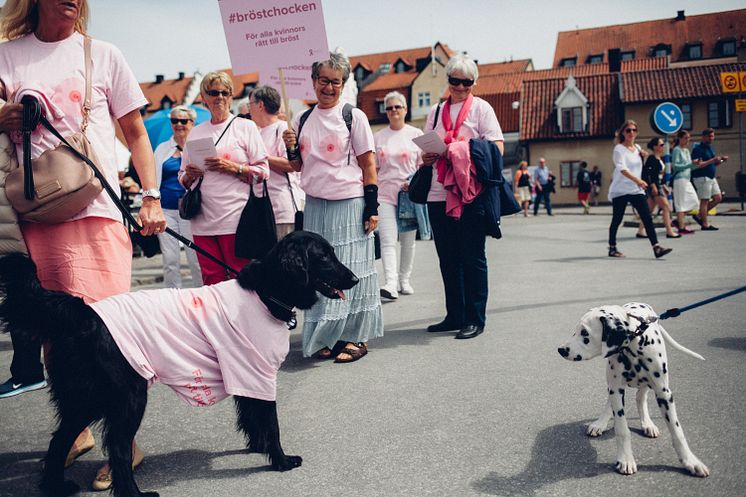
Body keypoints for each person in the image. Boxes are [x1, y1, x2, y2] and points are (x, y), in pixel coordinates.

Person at [0, 0, 166, 489]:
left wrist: (152, 198)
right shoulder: (7, 56)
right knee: (55, 333)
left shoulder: (103, 54)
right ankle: (75, 431)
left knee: (111, 334)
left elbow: (135, 133)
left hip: (96, 211)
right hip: (35, 212)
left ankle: (124, 442)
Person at [282, 52, 383, 362]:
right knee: (320, 274)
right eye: (323, 80)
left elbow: (368, 163)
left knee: (354, 269)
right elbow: (297, 166)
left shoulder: (354, 116)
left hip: (348, 203)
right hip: (315, 205)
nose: (328, 87)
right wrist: (290, 147)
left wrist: (371, 206)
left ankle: (355, 337)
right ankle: (325, 336)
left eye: (335, 82)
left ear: (343, 84)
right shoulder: (301, 118)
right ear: (314, 82)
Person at [420, 54, 504, 340]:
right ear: (448, 81)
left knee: (472, 257)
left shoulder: (481, 109)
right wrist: (429, 155)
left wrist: (460, 149)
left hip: (470, 194)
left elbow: (497, 149)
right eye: (455, 81)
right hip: (438, 191)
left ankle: (475, 318)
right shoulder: (434, 111)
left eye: (466, 83)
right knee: (447, 258)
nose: (460, 87)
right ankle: (454, 314)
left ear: (474, 83)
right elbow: (426, 146)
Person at [179, 71, 269, 285]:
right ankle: (218, 320)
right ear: (204, 98)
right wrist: (189, 175)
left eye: (224, 92)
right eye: (213, 92)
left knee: (242, 277)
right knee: (212, 280)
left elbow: (263, 172)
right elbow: (181, 177)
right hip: (203, 219)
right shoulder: (196, 132)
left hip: (236, 217)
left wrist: (234, 168)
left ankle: (244, 319)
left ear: (231, 97)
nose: (219, 97)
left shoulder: (245, 127)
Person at [374, 90, 423, 299]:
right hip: (384, 195)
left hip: (408, 196)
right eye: (389, 108)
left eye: (397, 107)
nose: (393, 111)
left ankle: (405, 279)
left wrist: (413, 184)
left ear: (405, 109)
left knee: (408, 241)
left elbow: (423, 165)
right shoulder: (378, 137)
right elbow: (373, 168)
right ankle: (391, 283)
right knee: (387, 240)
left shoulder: (416, 134)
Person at [153, 105, 202, 288]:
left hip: (191, 210)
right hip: (166, 209)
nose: (179, 124)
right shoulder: (162, 149)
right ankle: (173, 298)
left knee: (195, 257)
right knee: (170, 260)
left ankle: (201, 293)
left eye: (183, 121)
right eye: (175, 121)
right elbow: (153, 177)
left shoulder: (198, 146)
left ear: (192, 123)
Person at [607, 120, 671, 259]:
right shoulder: (618, 149)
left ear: (637, 133)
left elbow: (640, 166)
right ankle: (612, 248)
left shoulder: (637, 147)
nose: (631, 133)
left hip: (636, 189)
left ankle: (656, 248)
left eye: (634, 130)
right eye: (628, 130)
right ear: (623, 133)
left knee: (647, 218)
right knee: (617, 219)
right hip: (621, 190)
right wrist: (638, 180)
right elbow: (622, 168)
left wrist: (644, 155)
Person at [248, 85, 304, 240]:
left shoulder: (282, 129)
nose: (248, 109)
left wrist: (262, 157)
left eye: (250, 104)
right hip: (263, 208)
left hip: (282, 210)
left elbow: (291, 165)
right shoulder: (257, 132)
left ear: (260, 105)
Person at [671, 130, 715, 235]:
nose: (687, 140)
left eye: (689, 138)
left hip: (687, 179)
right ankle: (681, 227)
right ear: (680, 138)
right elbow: (676, 167)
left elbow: (690, 167)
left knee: (695, 202)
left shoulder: (686, 151)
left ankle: (678, 220)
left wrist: (696, 165)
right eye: (686, 138)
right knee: (681, 204)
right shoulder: (677, 150)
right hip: (680, 179)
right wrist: (691, 164)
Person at [636, 137, 680, 239]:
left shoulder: (660, 159)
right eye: (661, 145)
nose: (663, 146)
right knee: (666, 207)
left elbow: (660, 175)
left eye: (663, 145)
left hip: (659, 185)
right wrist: (653, 186)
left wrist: (664, 186)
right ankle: (669, 231)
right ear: (655, 147)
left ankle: (640, 230)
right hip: (654, 186)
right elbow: (648, 174)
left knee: (649, 210)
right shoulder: (651, 158)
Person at [691, 128, 727, 231]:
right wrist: (712, 160)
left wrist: (721, 160)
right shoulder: (698, 149)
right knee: (705, 201)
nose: (712, 138)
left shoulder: (710, 148)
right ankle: (705, 224)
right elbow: (698, 165)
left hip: (711, 177)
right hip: (702, 177)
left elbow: (714, 163)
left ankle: (699, 215)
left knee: (718, 197)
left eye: (713, 136)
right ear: (704, 137)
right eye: (710, 136)